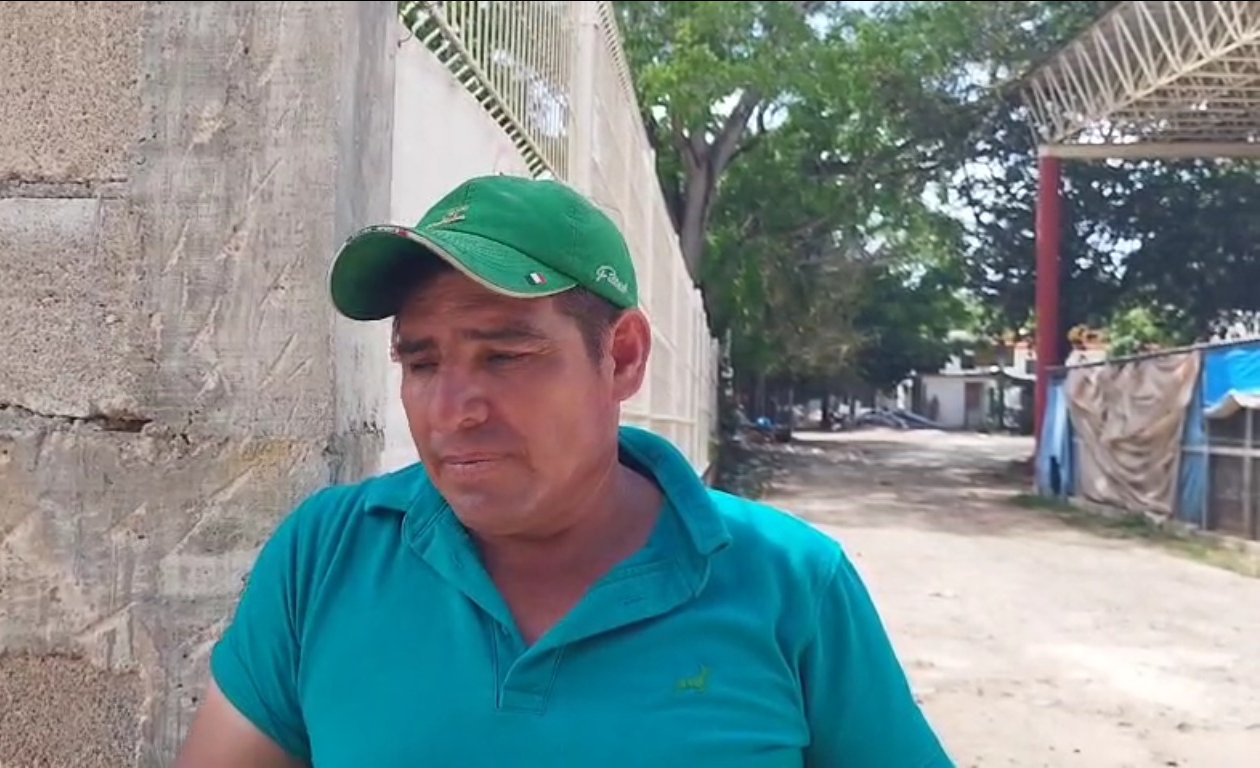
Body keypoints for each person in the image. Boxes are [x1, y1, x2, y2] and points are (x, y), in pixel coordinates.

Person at [175, 174, 954, 767]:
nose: (451, 410)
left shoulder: (788, 582)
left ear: (623, 357)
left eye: (505, 355)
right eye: (422, 362)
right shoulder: (327, 555)